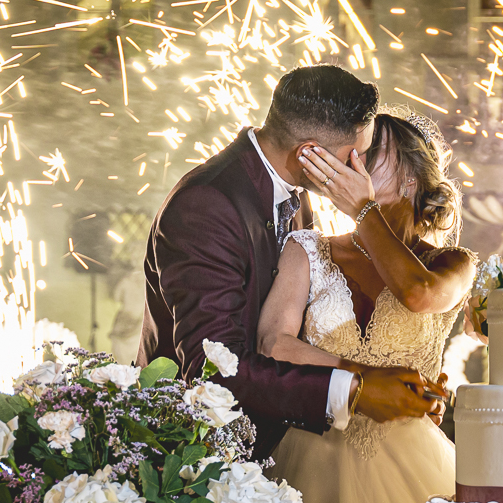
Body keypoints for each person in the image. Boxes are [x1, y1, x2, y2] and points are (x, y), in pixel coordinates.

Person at [136, 66, 439, 466]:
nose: (360, 169)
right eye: (356, 155)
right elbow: (216, 367)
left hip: (273, 452)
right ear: (308, 153)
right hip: (192, 460)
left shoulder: (296, 193)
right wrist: (355, 390)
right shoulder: (206, 206)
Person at [260, 110, 477, 503]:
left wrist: (364, 212)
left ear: (414, 176)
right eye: (351, 155)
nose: (353, 164)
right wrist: (362, 378)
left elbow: (418, 294)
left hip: (412, 473)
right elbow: (274, 345)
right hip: (308, 468)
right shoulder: (308, 249)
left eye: (372, 155)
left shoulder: (450, 263)